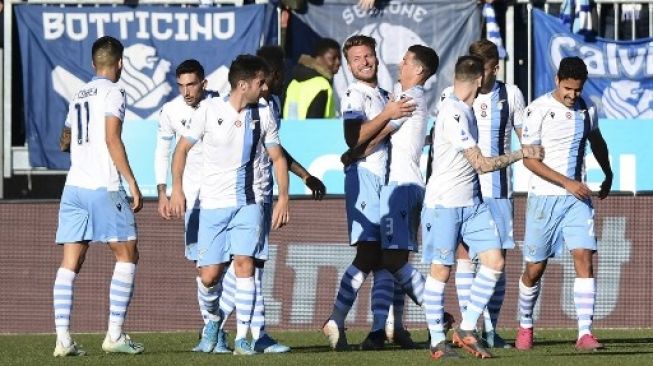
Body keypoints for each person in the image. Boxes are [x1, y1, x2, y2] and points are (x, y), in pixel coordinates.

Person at [421, 55, 542, 360]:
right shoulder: (453, 112)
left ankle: (466, 328)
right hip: (444, 203)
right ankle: (437, 342)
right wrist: (521, 154)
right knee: (441, 271)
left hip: (472, 203)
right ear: (478, 80)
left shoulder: (463, 107)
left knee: (495, 260)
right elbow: (482, 164)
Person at [170, 54, 290, 356]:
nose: (265, 87)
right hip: (212, 205)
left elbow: (277, 157)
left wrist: (283, 198)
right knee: (209, 277)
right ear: (243, 84)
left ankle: (244, 338)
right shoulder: (208, 110)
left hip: (249, 203)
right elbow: (181, 150)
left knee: (245, 265)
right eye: (260, 82)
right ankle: (212, 322)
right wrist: (176, 190)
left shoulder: (263, 112)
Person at [212, 45, 325, 354]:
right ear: (272, 75)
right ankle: (229, 328)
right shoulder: (240, 106)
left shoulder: (271, 103)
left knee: (250, 266)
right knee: (245, 266)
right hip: (246, 194)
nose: (282, 79)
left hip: (260, 192)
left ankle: (224, 329)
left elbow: (276, 149)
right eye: (280, 74)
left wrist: (303, 175)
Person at [340, 44, 439, 349]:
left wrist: (352, 154)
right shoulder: (396, 92)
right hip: (396, 185)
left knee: (391, 259)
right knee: (389, 259)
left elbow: (380, 135)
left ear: (419, 70)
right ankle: (385, 328)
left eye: (407, 61)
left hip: (401, 186)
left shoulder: (411, 98)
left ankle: (439, 317)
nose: (401, 63)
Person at [322, 35, 415, 351]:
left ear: (376, 57)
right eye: (357, 59)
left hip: (389, 182)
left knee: (388, 258)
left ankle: (384, 329)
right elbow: (353, 138)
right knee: (370, 253)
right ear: (348, 66)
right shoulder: (354, 95)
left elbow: (374, 141)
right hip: (365, 179)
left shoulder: (386, 95)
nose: (364, 62)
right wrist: (388, 117)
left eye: (367, 56)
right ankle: (336, 318)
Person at [53, 35, 144, 357]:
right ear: (120, 63)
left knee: (69, 264)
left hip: (74, 185)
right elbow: (111, 138)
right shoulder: (115, 91)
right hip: (103, 185)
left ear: (94, 64)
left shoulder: (79, 92)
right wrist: (131, 181)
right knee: (127, 254)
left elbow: (65, 140)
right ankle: (114, 335)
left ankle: (63, 340)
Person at [515, 56, 612, 351]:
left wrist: (608, 172)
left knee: (584, 257)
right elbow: (530, 160)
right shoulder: (538, 110)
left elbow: (597, 140)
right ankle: (525, 324)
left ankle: (584, 333)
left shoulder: (587, 110)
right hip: (544, 198)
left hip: (577, 199)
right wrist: (566, 182)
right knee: (535, 269)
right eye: (568, 88)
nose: (572, 95)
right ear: (557, 80)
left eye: (577, 90)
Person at [441, 39, 525, 348]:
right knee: (466, 258)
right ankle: (469, 327)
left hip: (499, 190)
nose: (482, 75)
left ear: (494, 67)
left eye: (486, 69)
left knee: (497, 259)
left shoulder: (511, 94)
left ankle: (491, 330)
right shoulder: (453, 96)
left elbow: (524, 135)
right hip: (464, 188)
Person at [153, 59, 225, 350]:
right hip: (194, 199)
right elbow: (163, 150)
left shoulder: (221, 105)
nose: (186, 91)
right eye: (181, 85)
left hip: (225, 195)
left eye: (191, 84)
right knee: (203, 268)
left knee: (230, 266)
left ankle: (230, 328)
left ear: (204, 83)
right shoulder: (171, 111)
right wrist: (165, 192)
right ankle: (213, 328)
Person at [283, 38, 341, 119]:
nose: (338, 62)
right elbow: (314, 122)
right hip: (316, 131)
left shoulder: (293, 81)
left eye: (339, 58)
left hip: (289, 131)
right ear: (318, 58)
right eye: (333, 58)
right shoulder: (322, 85)